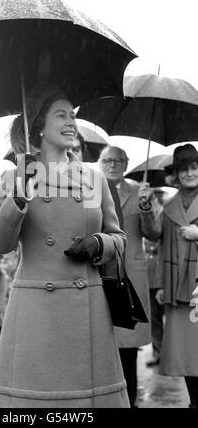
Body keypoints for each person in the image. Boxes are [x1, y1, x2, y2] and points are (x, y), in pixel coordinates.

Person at [0, 83, 129, 408]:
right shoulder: (14, 179)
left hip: (87, 308)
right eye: (61, 115)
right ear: (39, 125)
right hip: (37, 311)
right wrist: (18, 197)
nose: (71, 123)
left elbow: (119, 239)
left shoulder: (93, 180)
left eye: (73, 116)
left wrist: (98, 243)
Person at [99, 146, 160, 407]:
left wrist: (146, 207)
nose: (112, 164)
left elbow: (154, 233)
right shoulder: (90, 191)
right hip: (100, 274)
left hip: (131, 275)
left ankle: (130, 401)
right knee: (100, 342)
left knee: (128, 346)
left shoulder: (140, 191)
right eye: (107, 160)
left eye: (118, 160)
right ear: (100, 164)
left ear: (126, 164)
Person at [154, 144, 198, 408]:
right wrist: (147, 207)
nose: (190, 173)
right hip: (178, 286)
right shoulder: (169, 205)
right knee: (187, 354)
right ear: (176, 174)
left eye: (194, 167)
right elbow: (159, 243)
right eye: (184, 169)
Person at [143, 190, 165, 368]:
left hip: (165, 272)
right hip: (149, 274)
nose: (153, 204)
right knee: (155, 318)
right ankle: (158, 352)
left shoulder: (166, 215)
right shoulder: (147, 216)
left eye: (154, 200)